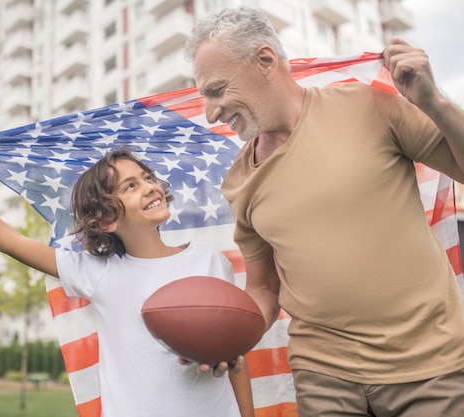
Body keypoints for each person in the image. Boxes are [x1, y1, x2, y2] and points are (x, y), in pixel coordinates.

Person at [184, 6, 464, 417]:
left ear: (264, 60)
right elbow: (263, 288)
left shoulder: (370, 105)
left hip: (429, 364)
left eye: (217, 90)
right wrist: (227, 339)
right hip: (323, 373)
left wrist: (434, 102)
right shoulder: (239, 181)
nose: (211, 112)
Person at [0, 148, 253, 417]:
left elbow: (236, 354)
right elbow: (11, 241)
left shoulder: (209, 261)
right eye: (130, 186)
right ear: (107, 220)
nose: (149, 187)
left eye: (148, 178)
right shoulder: (97, 272)